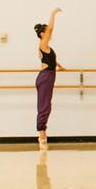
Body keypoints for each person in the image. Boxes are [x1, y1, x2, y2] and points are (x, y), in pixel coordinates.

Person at [34, 8, 64, 150]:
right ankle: (42, 134)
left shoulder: (47, 47)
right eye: (46, 32)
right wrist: (53, 13)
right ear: (42, 34)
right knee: (44, 106)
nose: (49, 33)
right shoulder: (43, 44)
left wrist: (60, 66)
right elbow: (51, 28)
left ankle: (42, 132)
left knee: (47, 106)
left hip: (49, 76)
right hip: (45, 77)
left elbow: (51, 60)